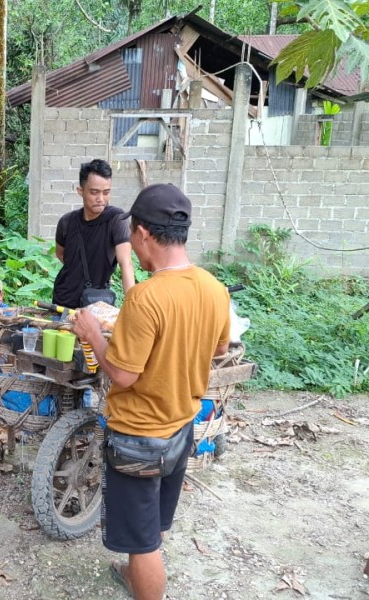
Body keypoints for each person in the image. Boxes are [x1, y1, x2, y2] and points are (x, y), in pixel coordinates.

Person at [71, 183, 230, 600]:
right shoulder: (214, 287)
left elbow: (122, 375)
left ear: (141, 233)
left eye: (131, 236)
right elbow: (220, 348)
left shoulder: (146, 297)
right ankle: (134, 571)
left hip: (139, 436)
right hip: (181, 426)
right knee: (154, 521)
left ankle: (142, 574)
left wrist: (91, 333)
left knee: (144, 546)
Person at [52, 159, 136, 308]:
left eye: (106, 192)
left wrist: (132, 306)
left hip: (96, 303)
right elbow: (61, 254)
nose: (101, 199)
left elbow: (126, 263)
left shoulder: (116, 220)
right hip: (63, 300)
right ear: (81, 191)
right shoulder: (67, 222)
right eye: (94, 192)